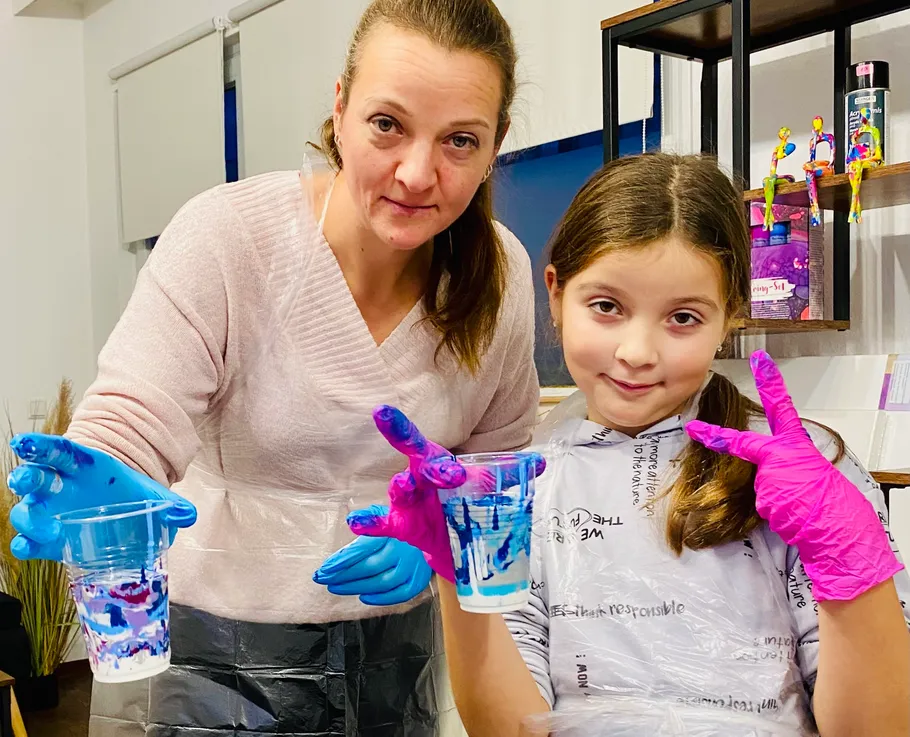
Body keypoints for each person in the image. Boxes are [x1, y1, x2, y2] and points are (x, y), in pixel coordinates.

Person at [5, 1, 540, 735]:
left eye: (459, 141)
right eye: (388, 125)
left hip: (399, 655)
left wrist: (438, 534)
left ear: (495, 146)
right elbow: (132, 420)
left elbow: (494, 478)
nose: (418, 173)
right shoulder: (230, 239)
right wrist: (98, 475)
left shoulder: (500, 276)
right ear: (342, 108)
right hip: (215, 657)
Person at [343, 153, 910, 736]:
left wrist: (850, 567)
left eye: (684, 317)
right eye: (607, 306)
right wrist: (465, 581)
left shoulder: (806, 475)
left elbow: (881, 730)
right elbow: (509, 730)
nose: (637, 351)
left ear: (732, 315)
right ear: (556, 294)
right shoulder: (518, 486)